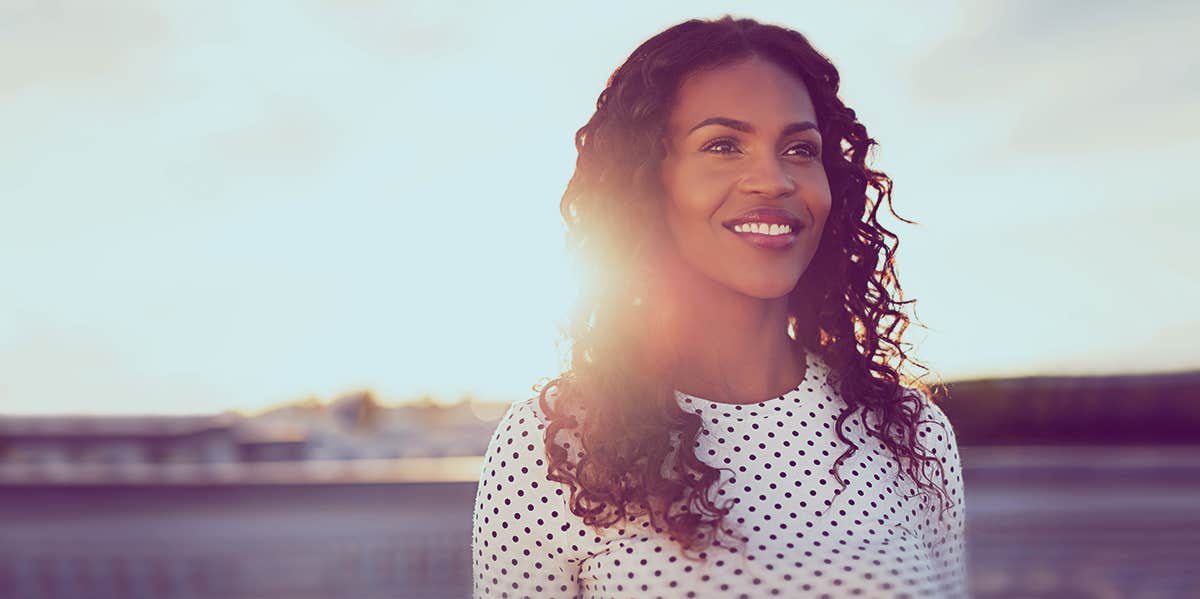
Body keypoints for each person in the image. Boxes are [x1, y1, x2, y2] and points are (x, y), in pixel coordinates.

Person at [472, 15, 967, 599]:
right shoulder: (555, 442)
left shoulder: (911, 432)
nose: (773, 179)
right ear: (648, 182)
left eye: (799, 149)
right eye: (723, 145)